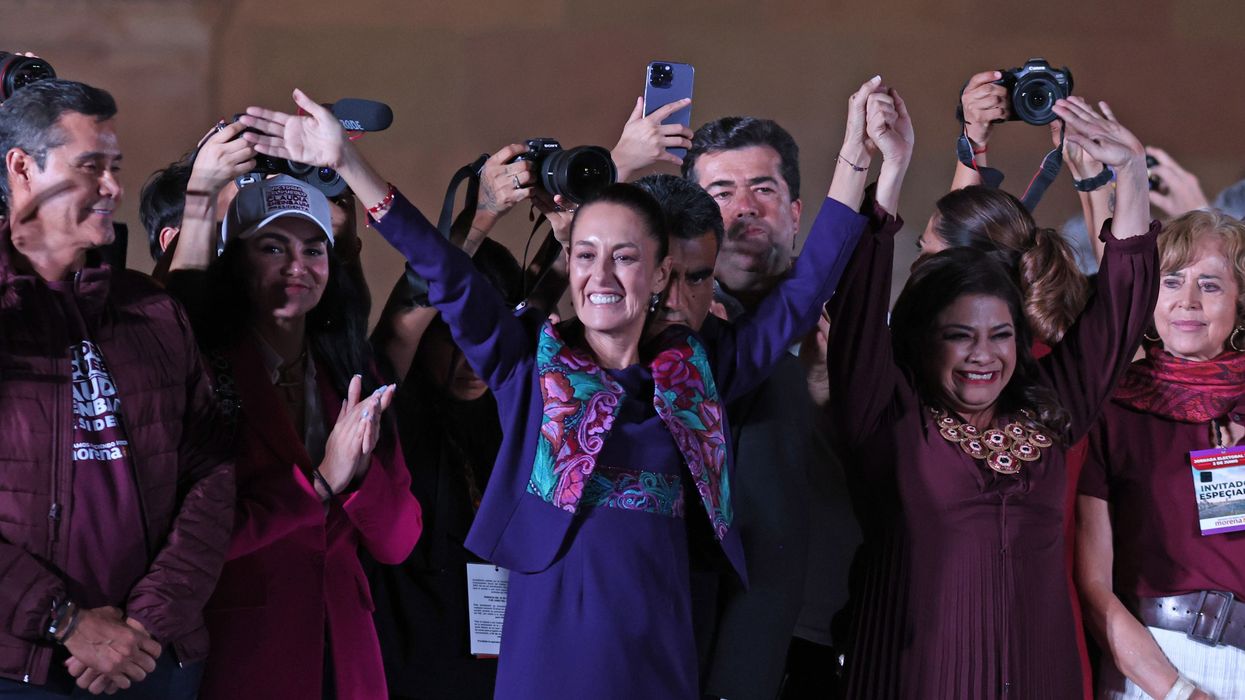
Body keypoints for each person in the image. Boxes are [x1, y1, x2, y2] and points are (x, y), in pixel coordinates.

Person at [235, 76, 884, 698]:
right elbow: (444, 270)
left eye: (624, 256)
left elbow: (803, 293)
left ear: (660, 273)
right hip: (551, 644)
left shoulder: (700, 374)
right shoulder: (530, 367)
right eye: (584, 253)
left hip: (662, 642)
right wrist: (347, 164)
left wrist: (854, 162)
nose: (601, 273)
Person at [826, 94, 1159, 698]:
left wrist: (1130, 174)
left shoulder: (1050, 406)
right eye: (961, 336)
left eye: (1000, 335)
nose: (984, 355)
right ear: (929, 337)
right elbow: (855, 306)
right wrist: (888, 172)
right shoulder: (889, 412)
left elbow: (1122, 306)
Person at [0, 79, 235, 697]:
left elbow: (210, 474)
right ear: (22, 167)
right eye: (90, 167)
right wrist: (65, 620)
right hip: (21, 665)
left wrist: (148, 622)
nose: (112, 189)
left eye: (115, 168)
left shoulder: (153, 313)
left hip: (154, 658)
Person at [163, 173, 422, 700]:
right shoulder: (202, 373)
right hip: (244, 651)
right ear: (233, 259)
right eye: (272, 247)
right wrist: (323, 481)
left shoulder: (351, 369)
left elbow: (397, 544)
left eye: (313, 248)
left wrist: (360, 476)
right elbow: (199, 540)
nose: (297, 266)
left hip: (346, 653)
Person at [682, 114, 863, 698]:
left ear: (795, 212)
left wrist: (836, 406)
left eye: (763, 188)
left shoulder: (861, 333)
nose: (744, 208)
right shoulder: (662, 340)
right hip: (698, 626)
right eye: (720, 192)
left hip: (834, 633)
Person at [1077, 209, 1245, 700]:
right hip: (1153, 668)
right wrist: (1178, 693)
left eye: (1210, 285)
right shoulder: (1110, 411)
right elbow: (1093, 586)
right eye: (1172, 282)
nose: (1187, 301)